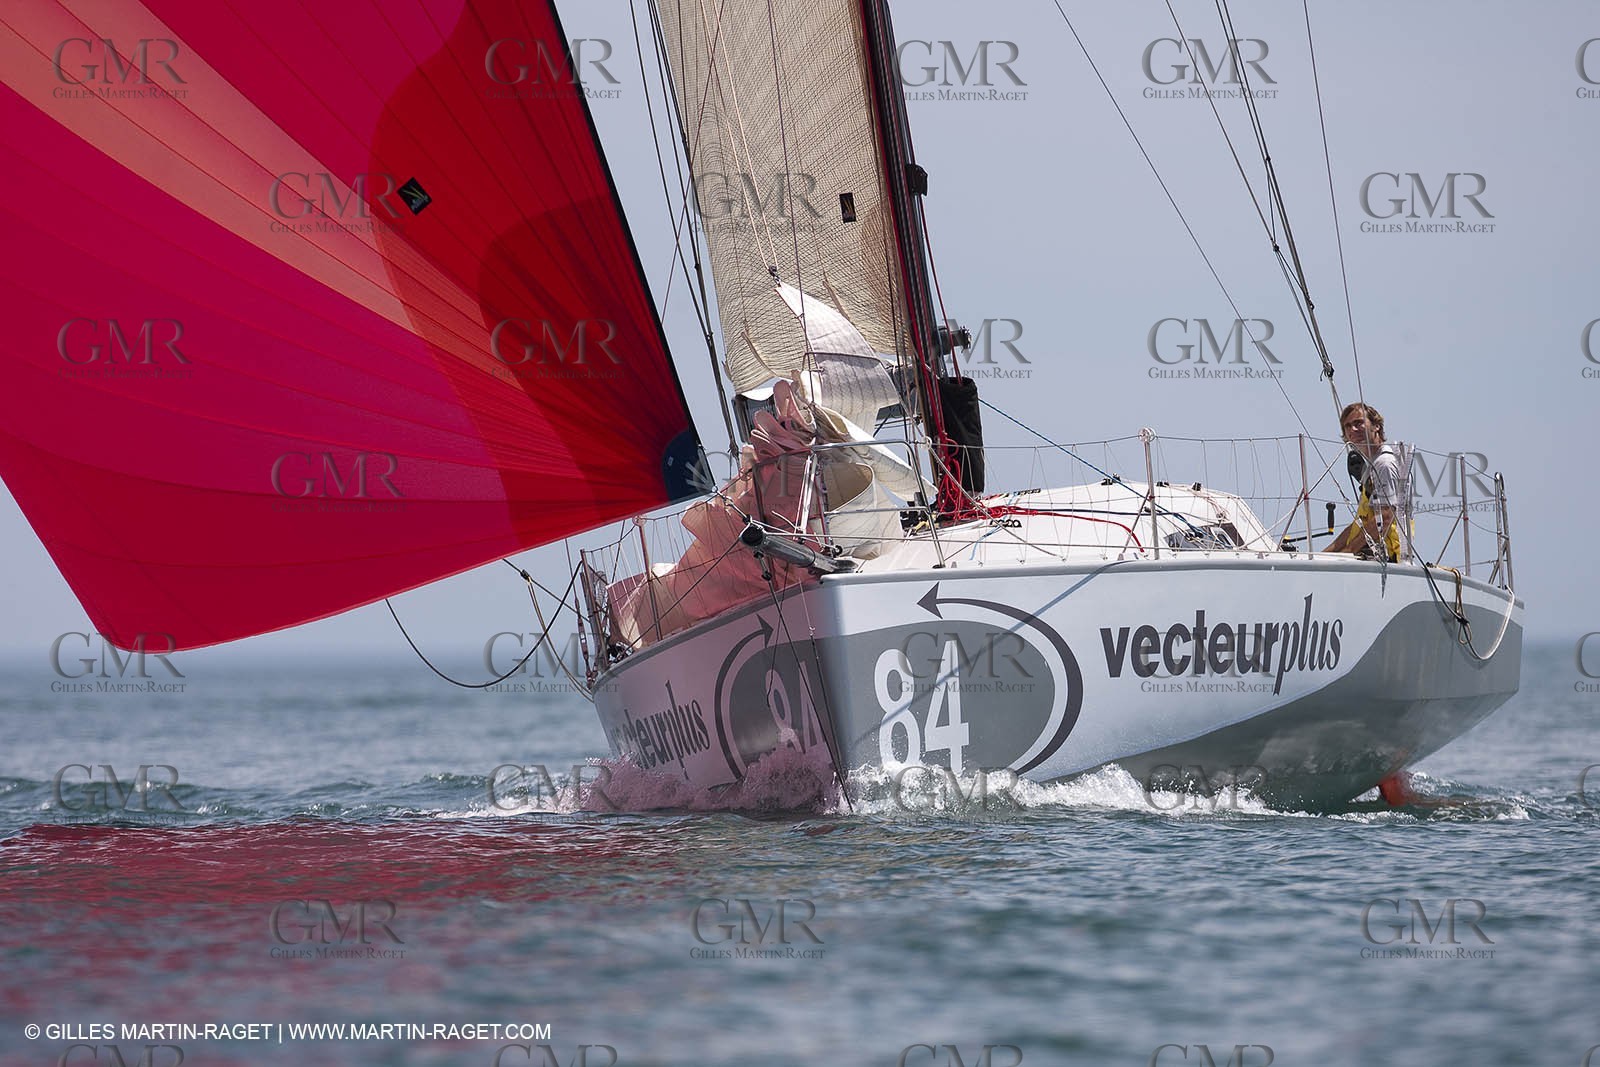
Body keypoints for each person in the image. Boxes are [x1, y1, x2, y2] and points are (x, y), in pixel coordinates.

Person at [1326, 402, 1403, 562]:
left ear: (1376, 426)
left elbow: (1385, 517)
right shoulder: (1372, 466)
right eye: (1347, 426)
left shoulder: (1384, 463)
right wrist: (1323, 555)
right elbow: (1358, 525)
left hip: (1386, 559)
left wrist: (1347, 554)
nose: (1352, 430)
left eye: (1358, 423)